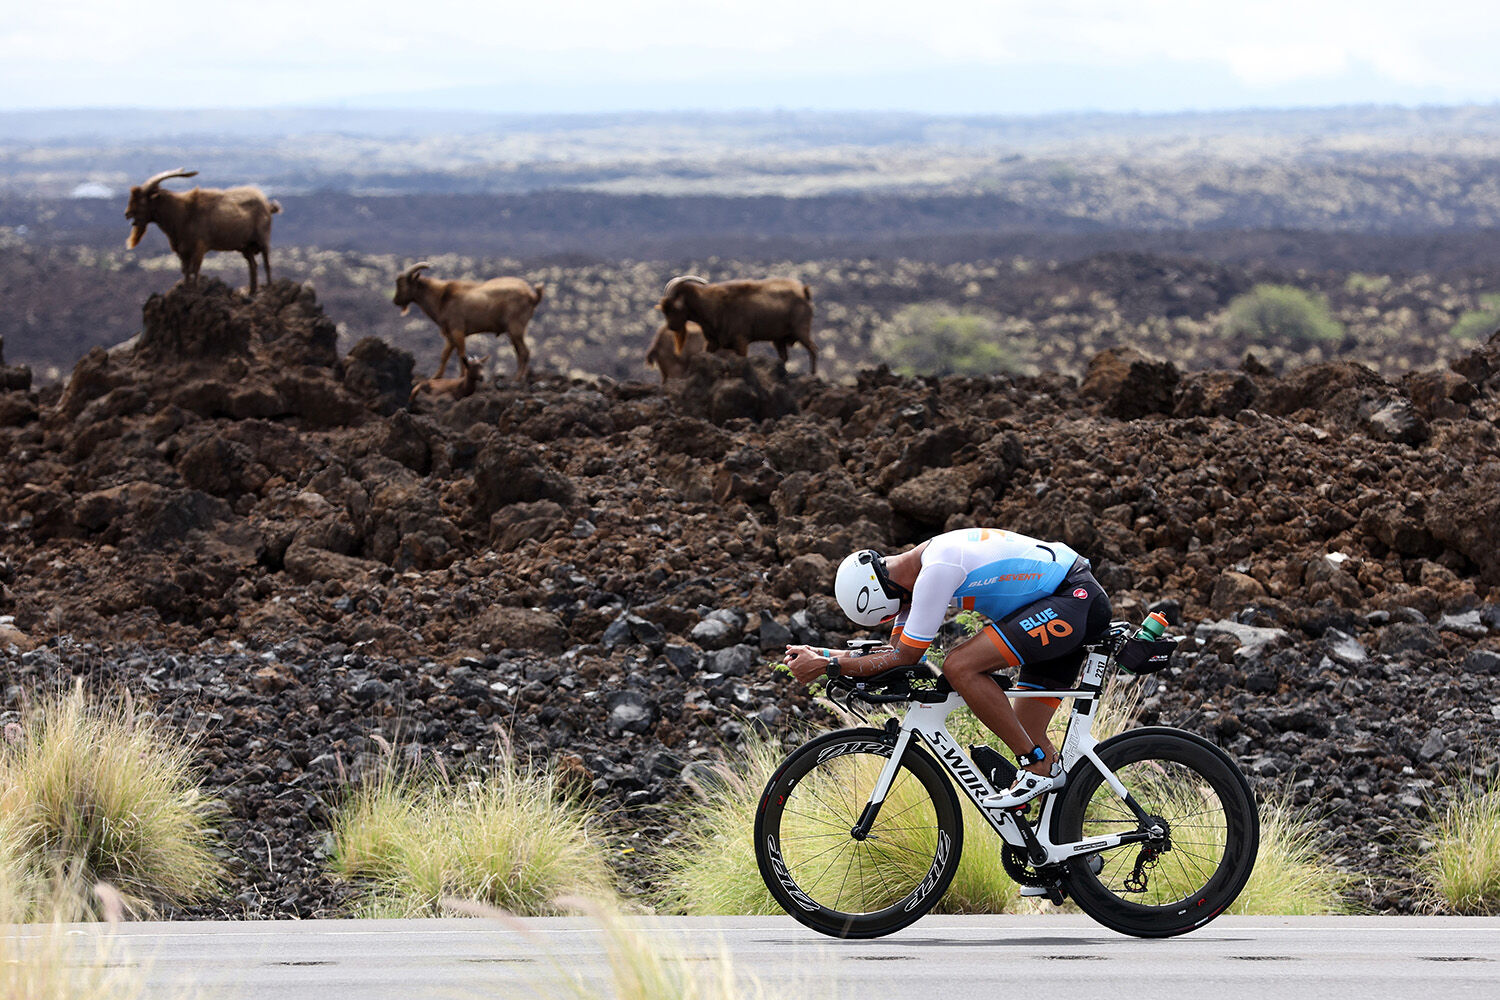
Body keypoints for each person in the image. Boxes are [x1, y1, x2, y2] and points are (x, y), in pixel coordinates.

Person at [783, 527, 1111, 809]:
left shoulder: (936, 570)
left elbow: (905, 658)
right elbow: (892, 652)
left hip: (1073, 599)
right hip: (1058, 606)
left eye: (892, 613)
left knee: (960, 666)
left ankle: (1036, 764)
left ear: (886, 597)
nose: (900, 614)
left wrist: (828, 666)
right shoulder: (918, 567)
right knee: (1029, 735)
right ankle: (1065, 859)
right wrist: (822, 654)